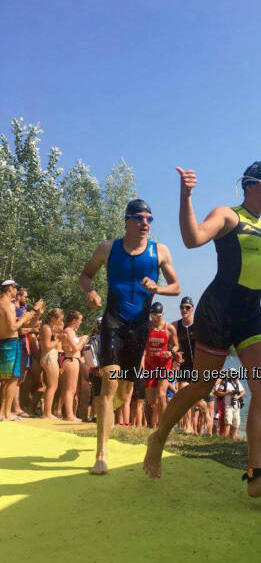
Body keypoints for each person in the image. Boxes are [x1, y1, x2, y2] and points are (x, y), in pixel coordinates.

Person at [144, 161, 261, 497]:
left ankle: (257, 475)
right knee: (200, 388)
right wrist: (186, 196)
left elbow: (260, 271)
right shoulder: (228, 215)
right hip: (218, 312)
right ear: (250, 184)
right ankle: (157, 438)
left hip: (251, 316)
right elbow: (192, 239)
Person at [79, 198, 180, 475]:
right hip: (113, 322)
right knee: (110, 381)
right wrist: (90, 291)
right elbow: (85, 275)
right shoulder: (107, 249)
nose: (145, 223)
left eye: (149, 218)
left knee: (123, 392)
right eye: (139, 218)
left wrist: (157, 289)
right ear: (127, 220)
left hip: (139, 328)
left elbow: (176, 285)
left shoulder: (159, 251)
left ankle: (106, 410)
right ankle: (101, 454)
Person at [0, 279, 44, 421]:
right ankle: (6, 413)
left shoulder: (4, 303)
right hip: (10, 342)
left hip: (5, 342)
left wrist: (34, 313)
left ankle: (4, 412)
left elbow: (19, 321)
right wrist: (27, 315)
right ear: (9, 288)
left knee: (7, 380)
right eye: (15, 288)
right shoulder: (8, 305)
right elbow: (14, 327)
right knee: (12, 379)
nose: (17, 291)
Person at [145, 301, 179, 428]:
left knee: (161, 395)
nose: (154, 319)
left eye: (157, 316)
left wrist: (171, 352)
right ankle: (150, 425)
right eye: (152, 316)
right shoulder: (147, 326)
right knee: (151, 400)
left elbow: (176, 345)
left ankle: (163, 426)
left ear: (162, 315)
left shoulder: (169, 328)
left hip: (165, 365)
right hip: (150, 365)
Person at [172, 296, 196, 433]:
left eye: (187, 307)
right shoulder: (175, 325)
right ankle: (188, 427)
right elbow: (173, 345)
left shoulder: (199, 324)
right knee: (183, 392)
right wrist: (174, 354)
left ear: (192, 309)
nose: (184, 310)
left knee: (194, 396)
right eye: (182, 307)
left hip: (199, 365)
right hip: (184, 364)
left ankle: (203, 407)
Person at [61, 311, 89, 422]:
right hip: (71, 360)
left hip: (73, 360)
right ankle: (69, 415)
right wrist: (82, 341)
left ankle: (69, 414)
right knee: (70, 390)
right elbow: (76, 348)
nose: (80, 322)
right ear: (74, 321)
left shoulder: (71, 331)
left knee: (72, 390)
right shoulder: (68, 331)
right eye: (80, 320)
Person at [38, 308, 64, 419]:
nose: (61, 322)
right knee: (52, 386)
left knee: (52, 386)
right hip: (49, 356)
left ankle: (47, 412)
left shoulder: (50, 328)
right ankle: (47, 413)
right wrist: (58, 339)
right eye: (60, 319)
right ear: (53, 319)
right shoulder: (46, 328)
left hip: (50, 356)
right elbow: (47, 346)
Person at [215, 369, 246, 440]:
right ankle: (225, 439)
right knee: (228, 422)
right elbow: (217, 393)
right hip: (228, 405)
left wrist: (238, 396)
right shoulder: (224, 382)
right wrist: (227, 393)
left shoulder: (237, 382)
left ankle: (233, 438)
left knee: (236, 423)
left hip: (236, 406)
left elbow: (243, 391)